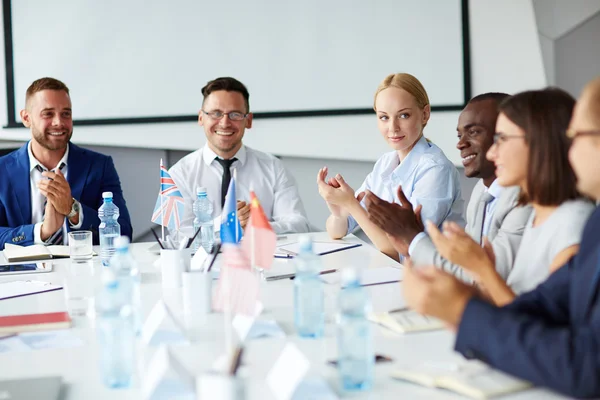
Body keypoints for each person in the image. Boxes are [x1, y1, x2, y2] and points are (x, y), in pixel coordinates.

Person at [401, 77, 600, 398]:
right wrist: (461, 297)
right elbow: (541, 306)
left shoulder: (579, 221)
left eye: (576, 136)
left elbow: (587, 365)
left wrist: (464, 307)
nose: (569, 147)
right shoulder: (595, 224)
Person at [423, 88, 594, 305]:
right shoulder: (539, 216)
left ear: (539, 142)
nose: (493, 153)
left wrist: (483, 272)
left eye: (501, 139)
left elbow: (540, 329)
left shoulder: (571, 221)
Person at [365, 93, 532, 283]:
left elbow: (483, 280)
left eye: (474, 132)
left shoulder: (524, 200)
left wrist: (413, 238)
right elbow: (465, 265)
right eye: (460, 135)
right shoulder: (481, 192)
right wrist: (413, 243)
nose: (460, 144)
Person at [317, 73, 464, 260]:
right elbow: (336, 232)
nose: (393, 127)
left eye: (404, 115)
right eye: (384, 117)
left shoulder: (436, 170)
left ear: (425, 114)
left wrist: (351, 205)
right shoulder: (385, 163)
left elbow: (401, 253)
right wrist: (339, 213)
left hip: (431, 281)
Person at [0, 77, 133, 248]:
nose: (59, 122)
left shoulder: (99, 166)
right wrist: (41, 232)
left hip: (84, 270)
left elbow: (123, 233)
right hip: (23, 273)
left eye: (66, 114)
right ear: (26, 118)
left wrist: (73, 210)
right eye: (48, 113)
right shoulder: (3, 170)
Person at [169, 77, 310, 235]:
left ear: (248, 121)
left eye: (235, 115)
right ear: (201, 117)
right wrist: (223, 223)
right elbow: (177, 236)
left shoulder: (274, 168)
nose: (224, 123)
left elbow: (299, 225)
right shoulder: (179, 174)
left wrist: (257, 226)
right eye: (216, 113)